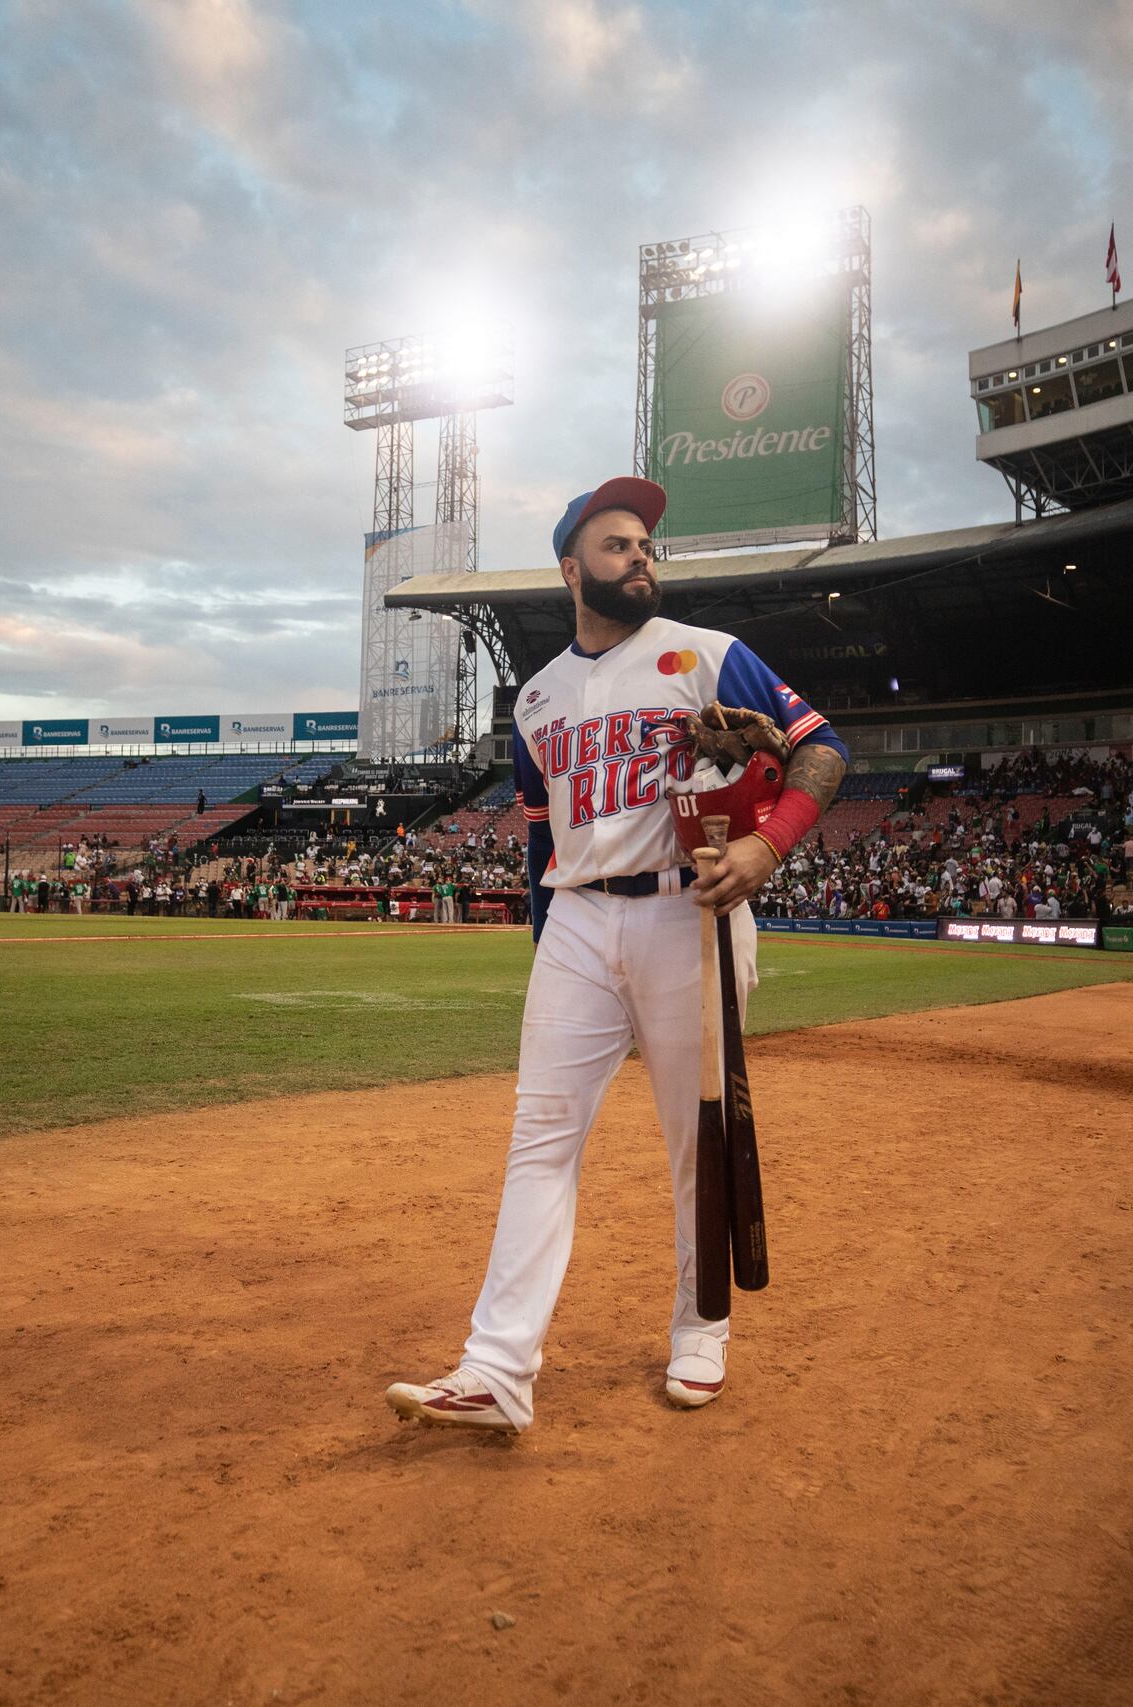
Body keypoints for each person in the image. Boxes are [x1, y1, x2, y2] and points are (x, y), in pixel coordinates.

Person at [384, 476, 846, 1435]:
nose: (640, 556)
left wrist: (765, 848)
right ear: (571, 568)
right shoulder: (536, 701)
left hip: (692, 914)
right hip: (579, 924)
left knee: (696, 1139)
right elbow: (540, 837)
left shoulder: (708, 655)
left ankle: (701, 1328)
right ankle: (497, 1368)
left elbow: (822, 749)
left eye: (644, 544)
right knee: (539, 1138)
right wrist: (549, 943)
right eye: (617, 545)